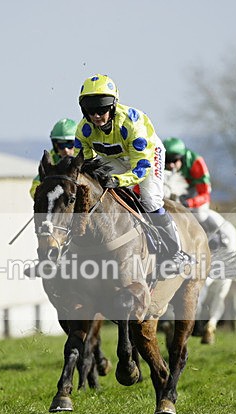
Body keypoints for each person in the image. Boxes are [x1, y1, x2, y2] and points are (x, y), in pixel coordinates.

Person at [74, 74, 190, 274]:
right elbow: (81, 167)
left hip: (146, 156)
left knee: (151, 200)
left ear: (112, 106)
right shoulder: (83, 130)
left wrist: (117, 180)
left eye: (102, 109)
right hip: (113, 156)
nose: (97, 116)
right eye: (91, 110)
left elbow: (140, 169)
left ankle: (175, 252)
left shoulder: (132, 124)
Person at [162, 137, 227, 244]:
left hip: (194, 193)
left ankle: (220, 235)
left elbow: (205, 194)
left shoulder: (196, 162)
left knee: (201, 215)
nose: (171, 165)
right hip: (172, 194)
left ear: (182, 158)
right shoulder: (158, 161)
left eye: (174, 160)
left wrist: (189, 202)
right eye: (167, 160)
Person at [29, 118, 77, 198]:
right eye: (61, 145)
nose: (66, 150)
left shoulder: (87, 156)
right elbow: (34, 188)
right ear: (55, 145)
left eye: (70, 144)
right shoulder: (50, 160)